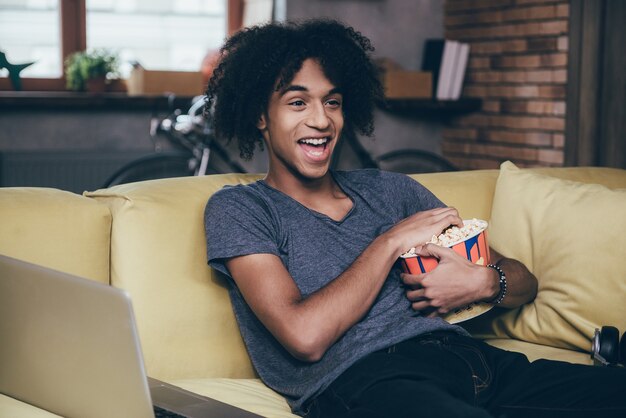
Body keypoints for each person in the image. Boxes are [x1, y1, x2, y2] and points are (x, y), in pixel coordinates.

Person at [203, 19, 626, 418]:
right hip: (368, 379)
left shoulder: (393, 191)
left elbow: (524, 282)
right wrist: (389, 242)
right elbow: (305, 338)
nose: (321, 119)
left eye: (332, 102)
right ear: (261, 116)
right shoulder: (241, 208)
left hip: (476, 361)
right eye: (298, 102)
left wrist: (485, 282)